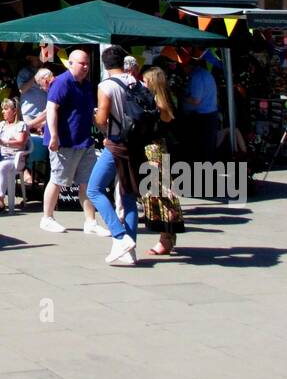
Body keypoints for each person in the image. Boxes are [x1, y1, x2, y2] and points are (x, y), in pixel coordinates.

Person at [39, 49, 102, 235]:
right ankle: (47, 218)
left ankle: (90, 222)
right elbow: (51, 109)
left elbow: (89, 112)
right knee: (57, 180)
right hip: (64, 142)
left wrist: (103, 130)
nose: (85, 67)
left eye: (87, 64)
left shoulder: (87, 85)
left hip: (85, 141)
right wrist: (55, 136)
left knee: (88, 183)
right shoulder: (61, 82)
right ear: (71, 63)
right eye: (82, 63)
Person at [89, 46, 141, 264]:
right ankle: (130, 251)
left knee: (94, 189)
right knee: (129, 195)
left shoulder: (106, 86)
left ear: (104, 64)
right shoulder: (138, 83)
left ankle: (119, 237)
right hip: (136, 144)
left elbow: (102, 119)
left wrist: (99, 124)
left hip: (116, 143)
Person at [141, 67, 185, 255]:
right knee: (154, 192)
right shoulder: (160, 100)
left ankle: (166, 237)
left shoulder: (159, 103)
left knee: (161, 192)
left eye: (145, 80)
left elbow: (161, 122)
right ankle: (167, 236)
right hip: (154, 149)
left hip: (156, 150)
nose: (142, 83)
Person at [17, 68, 53, 187]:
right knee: (23, 144)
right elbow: (22, 89)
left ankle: (38, 173)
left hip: (43, 120)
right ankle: (26, 171)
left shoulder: (54, 83)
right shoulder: (25, 73)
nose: (42, 89)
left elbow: (49, 111)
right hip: (30, 117)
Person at [182, 55, 220, 160]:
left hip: (203, 117)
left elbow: (195, 100)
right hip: (211, 113)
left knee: (202, 148)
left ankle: (203, 174)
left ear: (188, 66)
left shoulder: (196, 76)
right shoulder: (205, 73)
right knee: (208, 147)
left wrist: (182, 97)